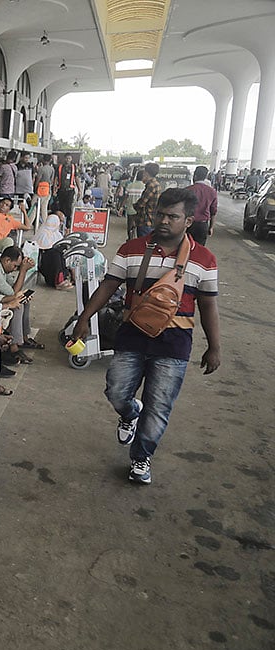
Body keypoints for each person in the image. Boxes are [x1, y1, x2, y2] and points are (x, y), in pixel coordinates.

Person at [71, 188, 220, 485]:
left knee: (159, 405)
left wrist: (214, 347)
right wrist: (84, 318)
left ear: (188, 221)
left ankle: (141, 456)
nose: (163, 221)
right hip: (132, 336)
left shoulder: (204, 259)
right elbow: (108, 285)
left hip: (174, 344)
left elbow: (208, 304)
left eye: (172, 217)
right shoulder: (132, 249)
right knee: (116, 391)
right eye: (160, 214)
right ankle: (129, 413)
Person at [0, 247, 38, 364]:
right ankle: (14, 347)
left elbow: (13, 290)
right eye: (15, 266)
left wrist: (18, 297)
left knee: (23, 301)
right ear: (7, 260)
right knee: (18, 307)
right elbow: (12, 292)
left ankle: (24, 338)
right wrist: (23, 271)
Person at [35, 211, 73, 290]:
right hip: (46, 263)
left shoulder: (56, 233)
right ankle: (59, 281)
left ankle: (63, 278)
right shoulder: (43, 233)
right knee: (55, 253)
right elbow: (44, 247)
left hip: (55, 263)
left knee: (60, 252)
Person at [187, 166, 217, 245]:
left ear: (195, 176)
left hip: (188, 224)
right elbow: (213, 211)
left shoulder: (187, 190)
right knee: (200, 248)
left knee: (186, 246)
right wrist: (211, 227)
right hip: (202, 225)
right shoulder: (212, 191)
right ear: (205, 177)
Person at [133, 163, 160, 237]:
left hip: (145, 220)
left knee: (143, 242)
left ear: (146, 173)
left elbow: (141, 203)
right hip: (152, 220)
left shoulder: (151, 185)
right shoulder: (156, 184)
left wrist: (135, 206)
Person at [55, 154, 79, 221]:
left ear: (71, 159)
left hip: (70, 190)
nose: (68, 160)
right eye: (67, 158)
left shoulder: (74, 167)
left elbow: (76, 178)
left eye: (69, 158)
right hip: (61, 190)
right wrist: (54, 188)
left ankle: (68, 221)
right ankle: (61, 221)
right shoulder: (60, 167)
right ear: (64, 159)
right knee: (61, 206)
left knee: (68, 206)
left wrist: (79, 189)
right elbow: (56, 178)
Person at [35, 155, 55, 223]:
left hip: (40, 190)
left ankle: (30, 222)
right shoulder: (52, 169)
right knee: (44, 208)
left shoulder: (41, 169)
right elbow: (52, 181)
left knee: (34, 206)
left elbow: (38, 179)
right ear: (50, 160)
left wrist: (35, 188)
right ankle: (45, 222)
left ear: (43, 160)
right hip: (48, 190)